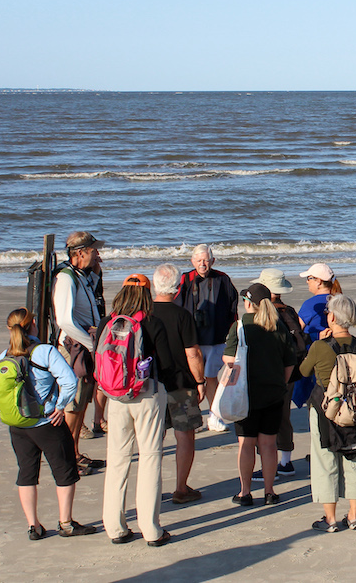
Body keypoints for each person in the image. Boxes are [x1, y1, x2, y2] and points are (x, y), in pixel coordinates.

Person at [0, 308, 95, 540]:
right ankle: (66, 523)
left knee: (27, 474)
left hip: (18, 424)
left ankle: (34, 526)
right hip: (47, 421)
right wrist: (60, 406)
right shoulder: (45, 351)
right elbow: (70, 381)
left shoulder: (4, 356)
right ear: (33, 325)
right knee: (65, 471)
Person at [100, 274, 176, 547]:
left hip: (115, 397)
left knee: (118, 460)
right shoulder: (152, 323)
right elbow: (167, 364)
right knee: (150, 459)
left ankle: (114, 526)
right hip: (148, 395)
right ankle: (151, 528)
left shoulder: (107, 323)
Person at [224, 283, 297, 507]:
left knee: (246, 443)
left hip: (246, 394)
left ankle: (245, 492)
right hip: (273, 391)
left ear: (248, 303)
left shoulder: (240, 326)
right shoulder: (278, 326)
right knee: (268, 444)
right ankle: (269, 491)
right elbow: (289, 363)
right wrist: (280, 383)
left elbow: (228, 360)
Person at [300, 294, 356, 532]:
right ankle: (353, 515)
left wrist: (316, 344)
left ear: (331, 316)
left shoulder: (320, 346)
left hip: (324, 406)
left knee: (325, 460)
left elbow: (304, 369)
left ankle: (330, 518)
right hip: (354, 406)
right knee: (354, 458)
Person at [150, 263, 205, 505]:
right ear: (177, 287)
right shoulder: (182, 315)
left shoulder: (144, 314)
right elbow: (192, 353)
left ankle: (152, 486)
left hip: (152, 384)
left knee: (153, 439)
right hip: (181, 384)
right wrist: (200, 381)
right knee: (185, 436)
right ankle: (181, 487)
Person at [53, 231, 106, 475]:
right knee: (73, 406)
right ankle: (69, 458)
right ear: (80, 252)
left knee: (82, 401)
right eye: (93, 250)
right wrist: (90, 344)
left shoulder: (80, 275)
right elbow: (65, 319)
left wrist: (95, 271)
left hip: (82, 347)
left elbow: (90, 299)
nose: (97, 254)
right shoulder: (66, 277)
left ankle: (74, 452)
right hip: (73, 349)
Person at [250, 268, 308, 481]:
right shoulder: (289, 310)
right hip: (292, 370)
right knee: (283, 416)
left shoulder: (266, 313)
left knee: (267, 419)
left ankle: (271, 464)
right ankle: (285, 461)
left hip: (272, 373)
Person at [174, 244, 239, 433]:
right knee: (193, 379)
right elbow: (177, 308)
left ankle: (214, 417)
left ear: (212, 261)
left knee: (212, 379)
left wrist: (230, 332)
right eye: (199, 260)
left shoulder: (223, 279)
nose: (203, 264)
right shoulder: (185, 279)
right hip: (192, 340)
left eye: (206, 260)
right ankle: (193, 419)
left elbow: (232, 308)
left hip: (216, 339)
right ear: (192, 261)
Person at [298, 263, 342, 342]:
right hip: (337, 344)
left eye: (309, 278)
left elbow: (297, 328)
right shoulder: (339, 300)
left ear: (318, 281)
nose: (307, 282)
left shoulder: (311, 304)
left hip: (314, 347)